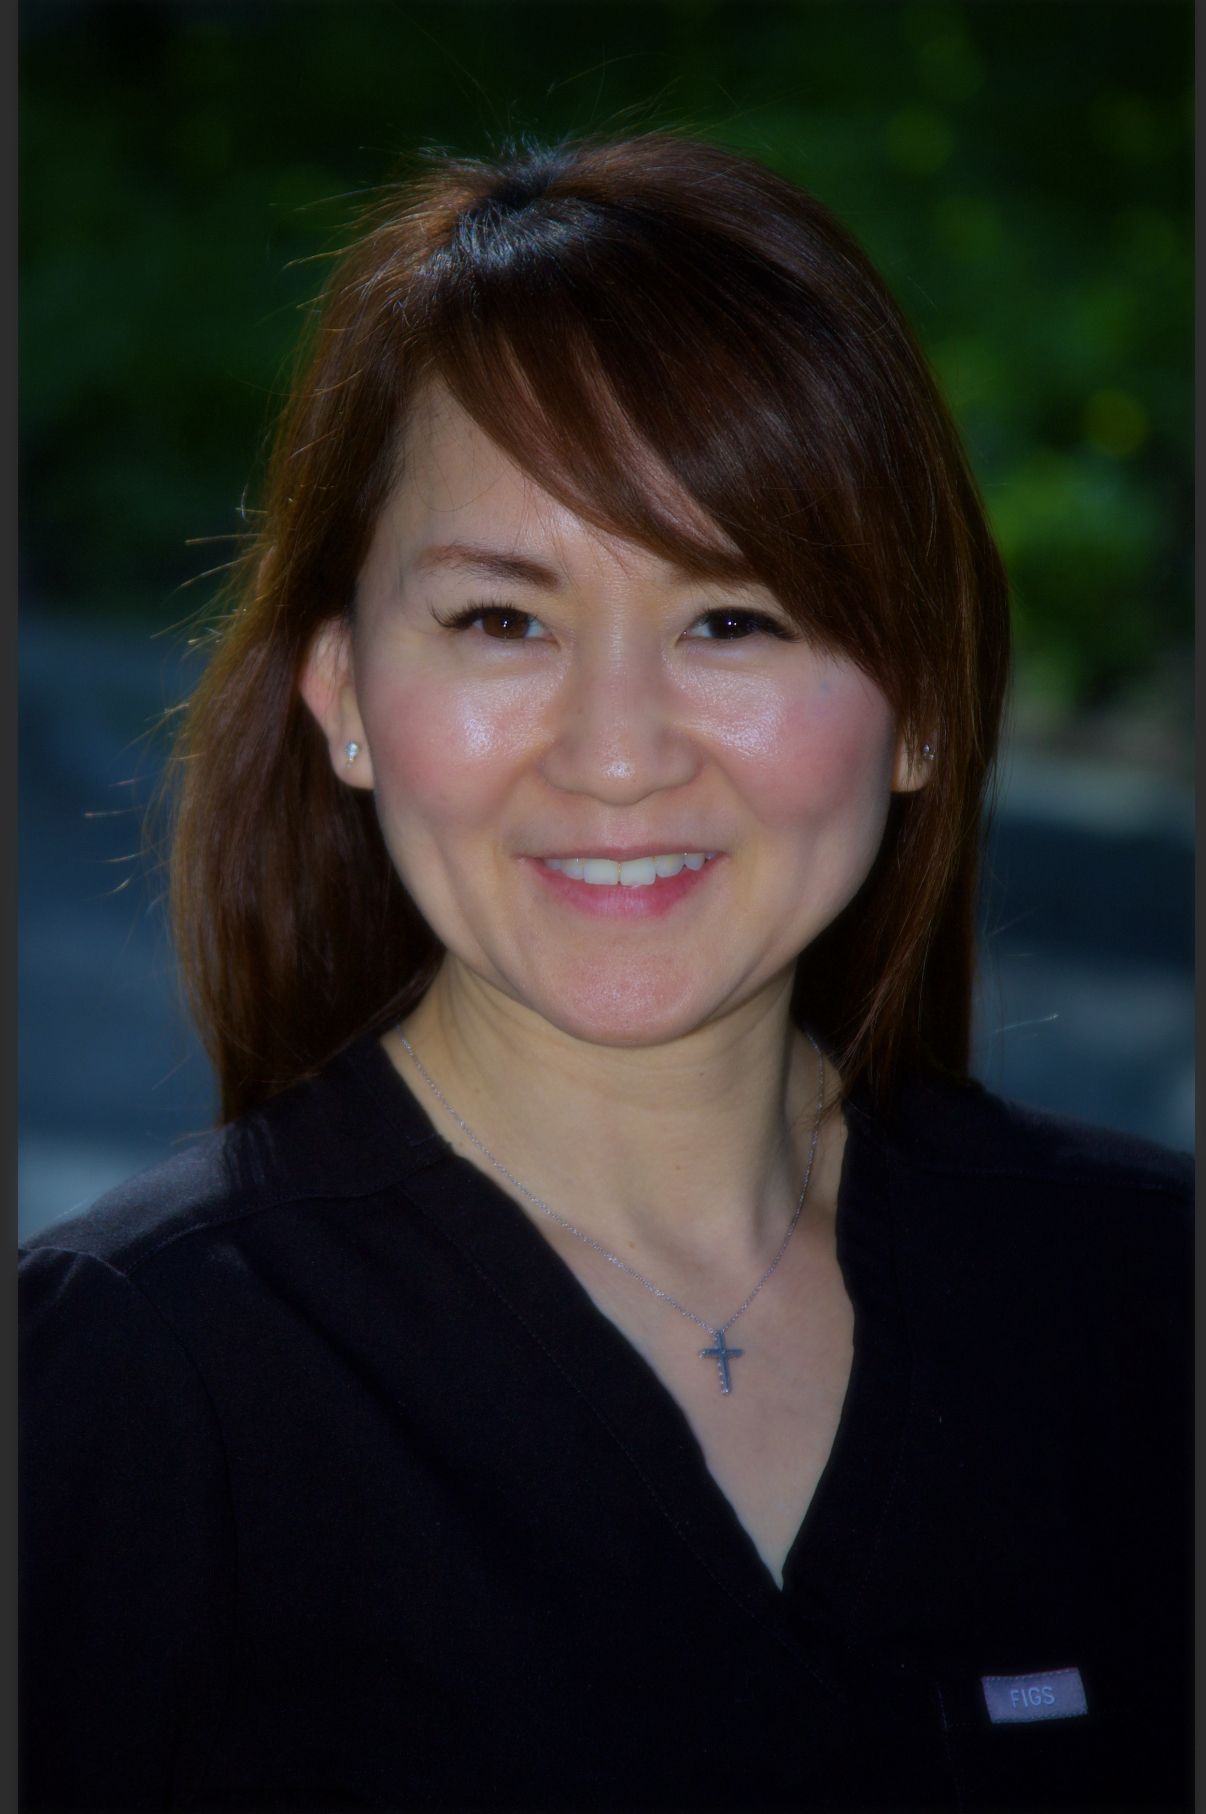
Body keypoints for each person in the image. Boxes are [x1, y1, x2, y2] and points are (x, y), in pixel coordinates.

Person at [19, 132, 1190, 1814]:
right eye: (502, 619)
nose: (620, 755)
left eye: (735, 619)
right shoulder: (133, 1383)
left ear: (923, 698)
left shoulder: (1148, 1306)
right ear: (343, 693)